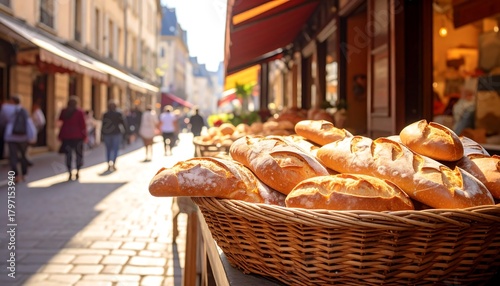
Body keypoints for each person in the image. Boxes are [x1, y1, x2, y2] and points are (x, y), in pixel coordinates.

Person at [0, 95, 37, 183]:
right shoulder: (23, 110)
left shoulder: (5, 109)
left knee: (13, 156)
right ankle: (24, 174)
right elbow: (29, 123)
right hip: (23, 136)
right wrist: (32, 135)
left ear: (11, 101)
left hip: (11, 135)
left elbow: (2, 121)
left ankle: (15, 176)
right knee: (23, 155)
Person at [58, 96, 87, 181]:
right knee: (79, 155)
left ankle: (69, 172)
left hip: (66, 136)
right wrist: (85, 136)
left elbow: (59, 122)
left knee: (68, 155)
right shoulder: (80, 112)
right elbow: (83, 125)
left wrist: (60, 135)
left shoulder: (64, 111)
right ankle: (77, 171)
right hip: (78, 137)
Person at [101, 99, 127, 171]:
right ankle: (114, 163)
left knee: (108, 149)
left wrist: (102, 135)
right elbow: (123, 123)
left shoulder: (105, 114)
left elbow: (103, 125)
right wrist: (125, 133)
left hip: (107, 134)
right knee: (115, 149)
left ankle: (109, 164)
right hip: (116, 133)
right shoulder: (118, 114)